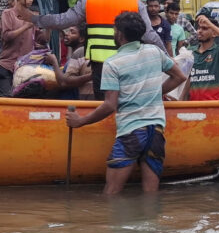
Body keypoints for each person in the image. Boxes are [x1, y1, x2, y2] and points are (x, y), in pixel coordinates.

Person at [66, 12, 186, 195]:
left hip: (131, 132)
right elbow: (179, 77)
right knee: (151, 195)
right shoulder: (155, 52)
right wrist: (154, 92)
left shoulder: (113, 63)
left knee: (111, 193)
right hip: (156, 131)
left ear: (120, 34)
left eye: (114, 30)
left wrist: (80, 121)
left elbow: (109, 105)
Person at [23, 0, 165, 93]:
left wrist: (33, 18)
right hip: (127, 66)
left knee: (103, 107)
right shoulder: (136, 3)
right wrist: (167, 57)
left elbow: (62, 21)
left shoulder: (89, 0)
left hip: (99, 68)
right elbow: (149, 35)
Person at [0, 0, 38, 97]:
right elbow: (6, 36)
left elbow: (42, 40)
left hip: (26, 68)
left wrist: (48, 27)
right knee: (6, 101)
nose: (30, 0)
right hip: (7, 66)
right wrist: (25, 27)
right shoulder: (7, 13)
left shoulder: (32, 16)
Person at [187, 13, 219, 101]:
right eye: (199, 28)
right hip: (193, 106)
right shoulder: (191, 52)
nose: (199, 31)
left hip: (214, 106)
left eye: (205, 28)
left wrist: (209, 23)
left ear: (214, 33)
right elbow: (187, 80)